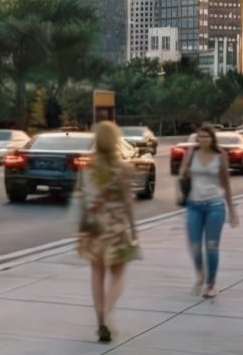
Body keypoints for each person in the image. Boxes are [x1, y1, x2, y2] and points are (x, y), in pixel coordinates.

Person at [75, 120, 140, 344]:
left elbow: (83, 197)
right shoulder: (122, 168)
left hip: (93, 227)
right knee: (119, 274)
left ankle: (100, 318)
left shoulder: (88, 167)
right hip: (114, 226)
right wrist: (134, 229)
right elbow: (127, 203)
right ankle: (109, 312)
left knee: (97, 273)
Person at [180, 122, 237, 298]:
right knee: (195, 245)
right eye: (200, 137)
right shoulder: (192, 153)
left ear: (212, 138)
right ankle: (200, 273)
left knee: (211, 246)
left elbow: (226, 184)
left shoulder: (220, 155)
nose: (203, 140)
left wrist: (232, 210)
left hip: (215, 205)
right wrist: (186, 171)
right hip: (194, 205)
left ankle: (211, 284)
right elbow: (182, 173)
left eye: (206, 137)